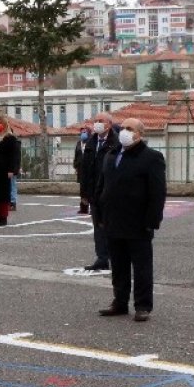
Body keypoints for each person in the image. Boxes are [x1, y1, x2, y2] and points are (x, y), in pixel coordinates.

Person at [93, 118, 166, 322]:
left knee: (141, 267)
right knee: (118, 265)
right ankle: (120, 301)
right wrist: (99, 215)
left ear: (139, 134)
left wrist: (152, 220)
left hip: (138, 222)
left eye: (129, 128)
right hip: (113, 220)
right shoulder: (111, 155)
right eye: (122, 128)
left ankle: (143, 305)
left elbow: (157, 192)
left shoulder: (151, 157)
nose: (124, 131)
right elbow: (101, 187)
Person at [80, 111, 121, 271]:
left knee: (111, 227)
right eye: (95, 120)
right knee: (98, 227)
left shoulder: (115, 143)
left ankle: (116, 257)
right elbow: (84, 169)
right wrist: (84, 194)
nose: (97, 123)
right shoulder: (91, 142)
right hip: (93, 193)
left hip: (109, 193)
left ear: (109, 124)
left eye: (101, 120)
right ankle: (102, 258)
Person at [0, 115, 21, 226]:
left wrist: (12, 169)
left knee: (3, 194)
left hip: (5, 170)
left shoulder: (10, 139)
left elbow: (15, 156)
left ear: (5, 125)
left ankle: (3, 217)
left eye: (0, 123)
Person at [74, 125, 91, 214]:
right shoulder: (78, 143)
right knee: (82, 189)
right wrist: (76, 166)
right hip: (81, 169)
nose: (83, 133)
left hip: (89, 169)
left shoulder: (91, 143)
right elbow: (76, 156)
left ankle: (92, 208)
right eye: (82, 132)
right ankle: (83, 208)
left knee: (90, 188)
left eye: (85, 132)